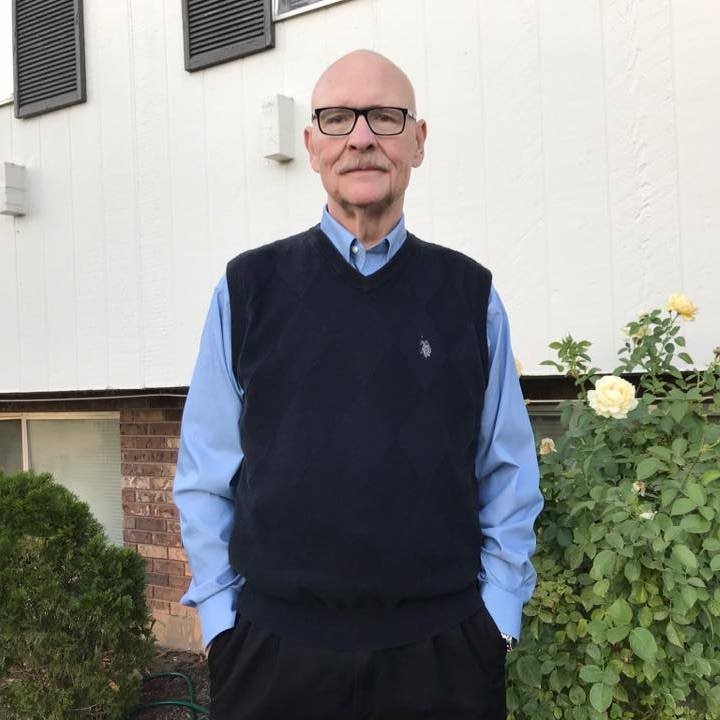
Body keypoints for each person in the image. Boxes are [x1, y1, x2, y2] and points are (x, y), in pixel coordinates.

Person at [173, 49, 543, 720]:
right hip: (270, 657)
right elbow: (205, 475)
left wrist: (498, 619)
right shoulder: (247, 289)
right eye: (338, 118)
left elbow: (508, 470)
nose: (362, 137)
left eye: (385, 117)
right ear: (312, 145)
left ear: (418, 141)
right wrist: (222, 624)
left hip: (445, 657)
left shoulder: (470, 296)